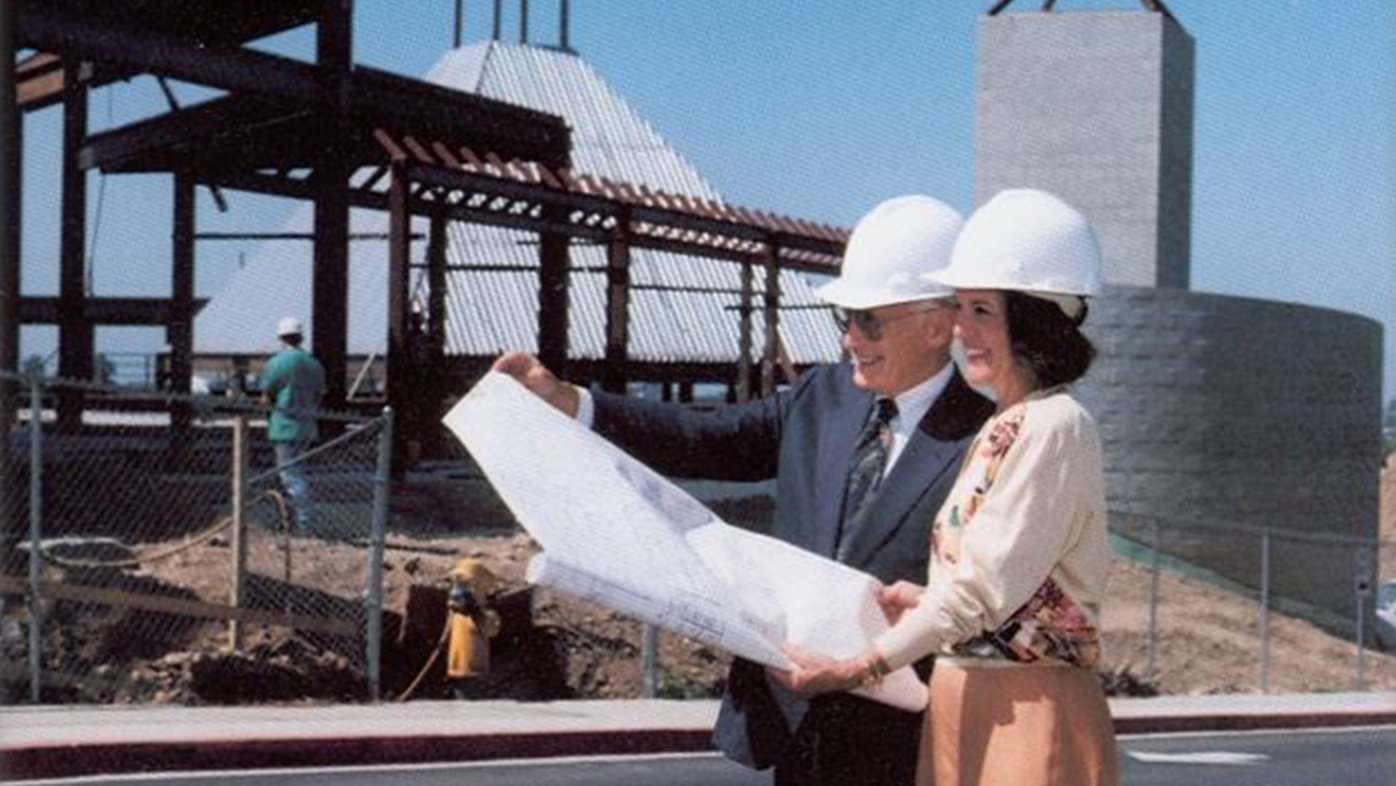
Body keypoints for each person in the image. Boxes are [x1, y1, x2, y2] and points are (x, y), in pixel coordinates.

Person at [492, 194, 995, 786]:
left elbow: (988, 597)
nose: (850, 340)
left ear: (938, 325)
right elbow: (705, 436)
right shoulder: (822, 399)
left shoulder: (988, 441)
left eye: (869, 320)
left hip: (907, 745)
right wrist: (571, 403)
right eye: (845, 319)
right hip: (793, 725)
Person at [778, 188, 1119, 786]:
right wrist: (924, 599)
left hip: (1024, 709)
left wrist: (857, 666)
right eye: (962, 308)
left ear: (1033, 320)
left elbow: (981, 591)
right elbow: (991, 585)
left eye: (982, 310)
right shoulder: (1006, 425)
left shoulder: (1055, 427)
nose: (961, 330)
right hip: (967, 697)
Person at [262, 316, 326, 535]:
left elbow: (267, 394)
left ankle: (303, 524)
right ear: (300, 337)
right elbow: (319, 396)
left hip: (283, 426)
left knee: (291, 477)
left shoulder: (277, 363)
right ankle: (291, 520)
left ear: (281, 338)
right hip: (307, 426)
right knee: (298, 473)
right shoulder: (314, 364)